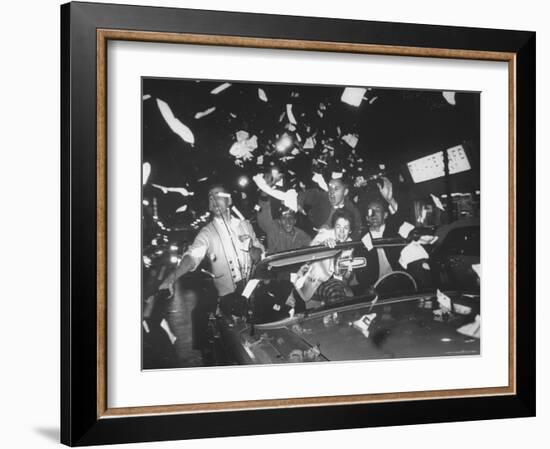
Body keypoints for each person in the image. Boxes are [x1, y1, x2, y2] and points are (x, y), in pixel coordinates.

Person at [159, 185, 264, 298]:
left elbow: (260, 256)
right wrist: (172, 277)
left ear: (229, 200)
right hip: (228, 300)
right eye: (210, 198)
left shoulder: (245, 225)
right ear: (209, 206)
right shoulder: (207, 233)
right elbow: (192, 257)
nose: (214, 200)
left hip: (254, 294)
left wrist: (250, 248)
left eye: (218, 195)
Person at [293, 210, 355, 306]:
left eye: (346, 228)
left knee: (342, 293)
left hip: (335, 282)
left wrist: (348, 272)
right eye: (338, 227)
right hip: (314, 281)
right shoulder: (325, 234)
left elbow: (345, 275)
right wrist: (323, 245)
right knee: (334, 291)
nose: (342, 232)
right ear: (334, 227)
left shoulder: (350, 244)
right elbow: (308, 255)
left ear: (350, 230)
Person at [297, 177, 363, 239]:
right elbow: (305, 194)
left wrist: (349, 240)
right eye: (330, 189)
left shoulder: (351, 209)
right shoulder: (323, 197)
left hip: (335, 240)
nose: (331, 193)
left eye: (336, 189)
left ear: (345, 192)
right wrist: (299, 204)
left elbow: (358, 228)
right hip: (312, 234)